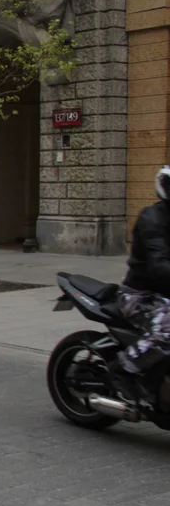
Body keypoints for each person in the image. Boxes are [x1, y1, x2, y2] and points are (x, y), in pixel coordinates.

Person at [111, 165, 170, 405]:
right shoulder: (152, 218)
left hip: (164, 294)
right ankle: (124, 369)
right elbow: (159, 265)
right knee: (167, 333)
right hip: (140, 295)